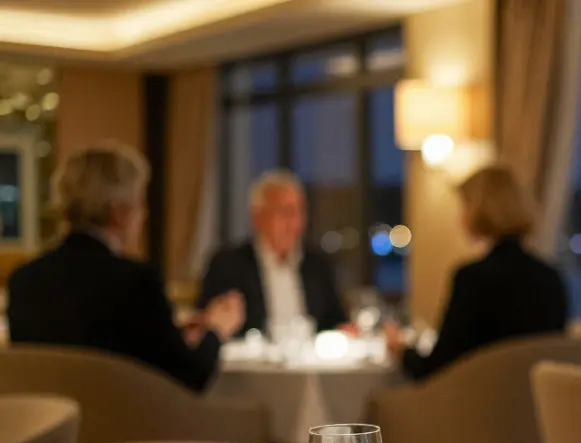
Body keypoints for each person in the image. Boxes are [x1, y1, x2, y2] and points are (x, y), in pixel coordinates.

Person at [7, 143, 244, 391]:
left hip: (56, 426)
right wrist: (216, 331)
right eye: (140, 202)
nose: (144, 214)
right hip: (127, 426)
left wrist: (174, 333)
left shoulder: (24, 280)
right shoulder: (135, 282)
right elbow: (190, 377)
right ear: (119, 212)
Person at [389, 164, 569, 381]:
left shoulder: (473, 279)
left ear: (478, 210)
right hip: (534, 407)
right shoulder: (550, 277)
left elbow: (437, 369)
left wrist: (401, 350)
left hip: (477, 407)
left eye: (464, 206)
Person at [197, 169, 346, 336]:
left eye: (299, 211)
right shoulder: (227, 265)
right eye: (285, 212)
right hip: (248, 360)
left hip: (311, 359)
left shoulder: (318, 265)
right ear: (258, 216)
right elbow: (208, 326)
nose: (294, 221)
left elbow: (337, 323)